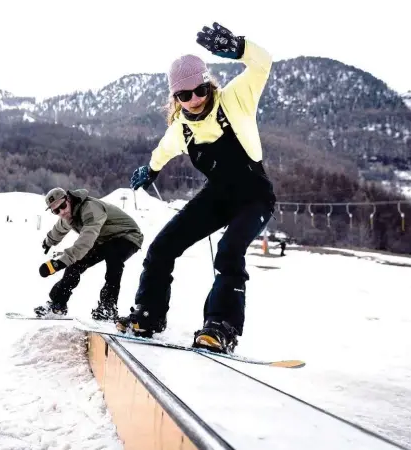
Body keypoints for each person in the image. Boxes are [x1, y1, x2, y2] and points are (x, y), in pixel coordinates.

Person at [116, 22, 276, 354]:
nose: (194, 100)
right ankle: (148, 316)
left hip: (255, 196)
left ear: (209, 85)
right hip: (217, 197)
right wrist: (151, 169)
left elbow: (263, 63)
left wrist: (239, 47)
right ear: (175, 98)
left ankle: (221, 327)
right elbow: (162, 150)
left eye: (200, 90)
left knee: (230, 251)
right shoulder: (181, 130)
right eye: (184, 95)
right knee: (161, 248)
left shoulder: (235, 100)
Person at [36, 187, 144, 320]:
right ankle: (58, 304)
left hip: (128, 236)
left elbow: (86, 238)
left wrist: (61, 262)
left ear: (68, 199)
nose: (62, 212)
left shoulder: (90, 208)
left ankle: (108, 308)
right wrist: (48, 241)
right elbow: (59, 228)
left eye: (63, 206)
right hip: (104, 240)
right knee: (76, 264)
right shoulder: (69, 215)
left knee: (113, 258)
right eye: (56, 211)